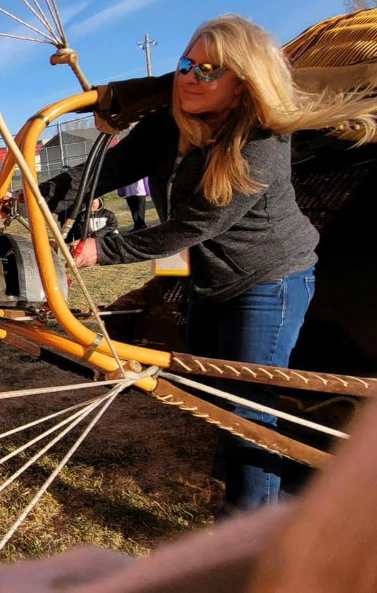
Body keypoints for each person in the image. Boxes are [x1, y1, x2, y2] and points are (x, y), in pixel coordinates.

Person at [33, 15, 375, 512]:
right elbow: (108, 168)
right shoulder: (171, 125)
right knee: (211, 389)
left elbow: (192, 227)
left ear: (242, 84)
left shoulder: (261, 143)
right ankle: (262, 489)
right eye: (186, 64)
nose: (191, 76)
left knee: (248, 413)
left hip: (270, 282)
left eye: (210, 69)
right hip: (212, 280)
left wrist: (101, 251)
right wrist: (35, 197)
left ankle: (248, 534)